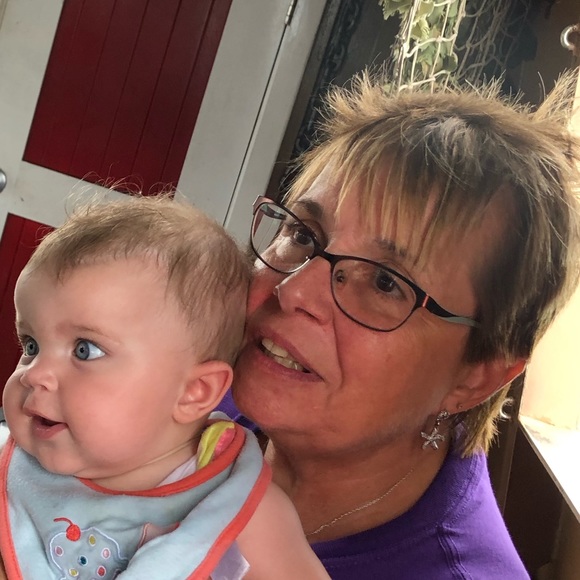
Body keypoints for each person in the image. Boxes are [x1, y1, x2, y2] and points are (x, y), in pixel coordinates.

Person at [218, 72, 580, 578]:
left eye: (385, 283)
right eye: (302, 234)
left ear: (475, 377)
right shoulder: (195, 382)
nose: (294, 291)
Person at [0, 197, 329, 580]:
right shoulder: (17, 470)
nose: (35, 375)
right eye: (31, 346)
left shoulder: (239, 512)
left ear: (194, 393)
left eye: (85, 350)